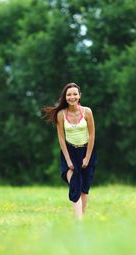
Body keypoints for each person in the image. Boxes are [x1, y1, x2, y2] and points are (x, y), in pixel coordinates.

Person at [43, 82, 97, 219]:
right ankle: (78, 221)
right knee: (74, 185)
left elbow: (92, 135)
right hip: (69, 152)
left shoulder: (87, 112)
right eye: (68, 94)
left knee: (84, 188)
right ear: (65, 97)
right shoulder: (61, 114)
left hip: (86, 151)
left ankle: (81, 219)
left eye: (74, 94)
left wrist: (87, 157)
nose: (72, 97)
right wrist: (68, 160)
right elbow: (61, 138)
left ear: (79, 96)